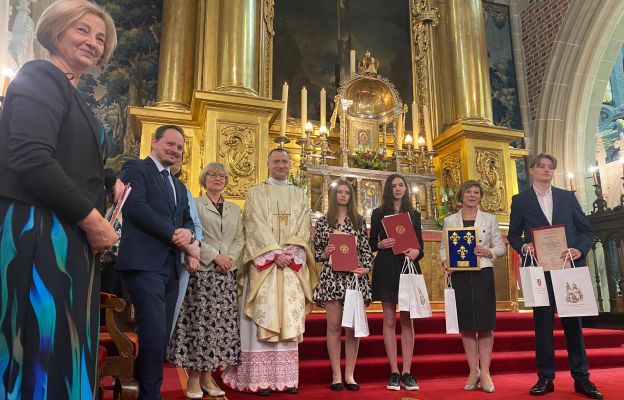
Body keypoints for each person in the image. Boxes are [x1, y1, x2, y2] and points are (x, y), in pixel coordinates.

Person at [0, 1, 118, 397]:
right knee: (39, 348)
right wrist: (95, 220)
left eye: (100, 38)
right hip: (38, 233)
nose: (93, 43)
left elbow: (69, 157)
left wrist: (108, 181)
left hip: (65, 235)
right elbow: (31, 159)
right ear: (56, 31)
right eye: (82, 30)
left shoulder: (73, 95)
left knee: (62, 353)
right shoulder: (41, 75)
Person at [222, 148, 317, 395]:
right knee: (261, 315)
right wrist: (275, 253)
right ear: (268, 163)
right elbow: (254, 224)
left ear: (290, 164)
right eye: (276, 161)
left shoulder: (299, 194)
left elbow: (303, 227)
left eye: (285, 161)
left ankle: (285, 380)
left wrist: (291, 253)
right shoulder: (255, 192)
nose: (281, 165)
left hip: (290, 268)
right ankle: (259, 379)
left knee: (288, 317)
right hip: (263, 265)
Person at [508, 154, 602, 399]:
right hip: (540, 272)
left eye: (550, 167)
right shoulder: (520, 201)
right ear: (531, 170)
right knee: (542, 325)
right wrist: (524, 247)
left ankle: (582, 379)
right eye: (541, 166)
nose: (546, 170)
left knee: (574, 326)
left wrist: (578, 249)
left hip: (567, 269)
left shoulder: (566, 197)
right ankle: (545, 378)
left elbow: (587, 231)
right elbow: (514, 235)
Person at [116, 125, 200, 400]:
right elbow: (134, 207)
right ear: (154, 142)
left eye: (179, 147)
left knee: (160, 334)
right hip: (143, 263)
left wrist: (188, 232)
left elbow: (186, 218)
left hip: (170, 267)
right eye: (171, 144)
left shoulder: (178, 185)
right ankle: (151, 395)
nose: (175, 150)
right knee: (153, 331)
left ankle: (142, 389)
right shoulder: (136, 168)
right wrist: (173, 234)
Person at [167, 162, 244, 399]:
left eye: (222, 175)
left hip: (225, 276)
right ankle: (193, 377)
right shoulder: (195, 203)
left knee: (220, 329)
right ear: (204, 178)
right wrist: (215, 257)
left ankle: (209, 375)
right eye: (213, 174)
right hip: (201, 273)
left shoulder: (233, 208)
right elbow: (193, 233)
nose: (218, 178)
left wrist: (229, 259)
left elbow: (240, 237)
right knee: (198, 328)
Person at [439, 180, 506, 393]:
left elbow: (501, 248)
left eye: (476, 192)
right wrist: (445, 263)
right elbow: (443, 248)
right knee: (466, 325)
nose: (472, 195)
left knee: (485, 324)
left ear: (480, 196)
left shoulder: (490, 219)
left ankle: (485, 372)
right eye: (468, 191)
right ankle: (473, 370)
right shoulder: (450, 220)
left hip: (483, 273)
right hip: (460, 275)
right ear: (461, 195)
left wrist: (489, 252)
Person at [313, 179, 374, 392]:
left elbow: (366, 252)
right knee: (333, 325)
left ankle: (350, 373)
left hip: (353, 279)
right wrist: (325, 252)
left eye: (347, 192)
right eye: (339, 192)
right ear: (333, 195)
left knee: (351, 327)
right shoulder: (323, 222)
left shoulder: (358, 220)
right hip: (331, 278)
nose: (343, 195)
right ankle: (336, 374)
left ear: (351, 196)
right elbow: (316, 253)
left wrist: (366, 268)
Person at [369, 173, 424, 391]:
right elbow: (372, 242)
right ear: (388, 189)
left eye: (401, 185)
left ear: (406, 189)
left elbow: (421, 247)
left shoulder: (414, 214)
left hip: (407, 267)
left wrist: (415, 252)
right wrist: (381, 245)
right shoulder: (378, 213)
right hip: (386, 268)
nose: (398, 189)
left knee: (407, 320)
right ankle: (394, 371)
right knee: (389, 319)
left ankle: (407, 371)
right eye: (394, 186)